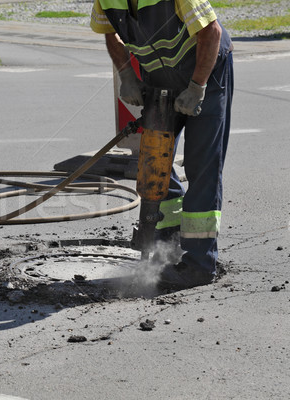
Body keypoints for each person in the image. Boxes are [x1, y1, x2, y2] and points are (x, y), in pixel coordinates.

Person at [90, 0, 234, 289]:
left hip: (206, 72)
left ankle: (199, 265)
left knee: (201, 168)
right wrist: (126, 74)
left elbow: (212, 33)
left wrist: (197, 88)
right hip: (158, 79)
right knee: (155, 165)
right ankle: (167, 247)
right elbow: (109, 32)